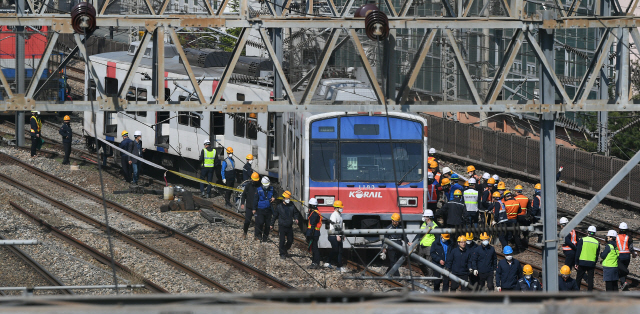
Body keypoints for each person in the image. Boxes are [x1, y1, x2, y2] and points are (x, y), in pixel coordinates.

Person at [271, 191, 301, 259]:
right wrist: (271, 224)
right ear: (284, 198)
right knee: (282, 240)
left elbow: (295, 213)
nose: (288, 200)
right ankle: (282, 253)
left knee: (290, 240)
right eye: (287, 198)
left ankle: (285, 249)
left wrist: (296, 218)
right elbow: (275, 216)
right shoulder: (279, 207)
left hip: (289, 226)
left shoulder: (292, 205)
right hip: (282, 226)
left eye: (289, 198)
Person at [575, 225, 600, 291]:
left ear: (587, 232)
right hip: (591, 263)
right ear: (594, 233)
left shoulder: (583, 240)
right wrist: (595, 262)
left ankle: (576, 291)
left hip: (582, 262)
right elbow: (597, 255)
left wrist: (576, 262)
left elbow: (578, 252)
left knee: (579, 278)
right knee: (590, 279)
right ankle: (590, 292)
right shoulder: (597, 242)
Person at [324, 200, 346, 272]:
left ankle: (338, 266)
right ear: (336, 208)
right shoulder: (334, 215)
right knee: (335, 250)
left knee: (340, 251)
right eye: (340, 207)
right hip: (333, 235)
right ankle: (328, 262)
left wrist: (343, 235)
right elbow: (333, 226)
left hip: (338, 235)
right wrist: (337, 235)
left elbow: (341, 226)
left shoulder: (339, 215)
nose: (341, 208)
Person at [253, 176, 275, 242]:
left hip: (268, 209)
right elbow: (255, 200)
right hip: (260, 209)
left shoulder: (271, 189)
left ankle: (265, 237)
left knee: (268, 225)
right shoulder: (258, 189)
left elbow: (276, 194)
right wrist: (254, 209)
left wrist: (274, 198)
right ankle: (259, 235)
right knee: (260, 222)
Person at [617, 222, 637, 290]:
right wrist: (634, 254)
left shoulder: (617, 237)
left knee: (620, 270)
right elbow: (631, 248)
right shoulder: (628, 237)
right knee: (624, 269)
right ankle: (622, 283)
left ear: (619, 229)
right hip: (627, 256)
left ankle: (623, 282)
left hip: (619, 255)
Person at [418, 209, 438, 277]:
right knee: (420, 263)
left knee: (429, 264)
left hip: (429, 246)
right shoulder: (423, 224)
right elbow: (419, 234)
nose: (424, 217)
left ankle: (430, 279)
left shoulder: (434, 226)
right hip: (422, 245)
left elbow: (437, 238)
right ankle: (426, 274)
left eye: (425, 216)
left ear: (428, 217)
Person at [240, 172, 260, 239]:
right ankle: (245, 233)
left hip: (257, 208)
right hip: (249, 207)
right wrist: (242, 203)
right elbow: (244, 195)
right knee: (247, 221)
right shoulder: (248, 186)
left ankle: (256, 235)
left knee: (257, 222)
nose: (255, 182)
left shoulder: (260, 186)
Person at [306, 198, 322, 269]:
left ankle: (316, 262)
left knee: (314, 248)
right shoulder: (316, 212)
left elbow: (312, 225)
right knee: (314, 247)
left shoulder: (314, 214)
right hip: (316, 232)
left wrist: (309, 234)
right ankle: (315, 262)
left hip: (314, 233)